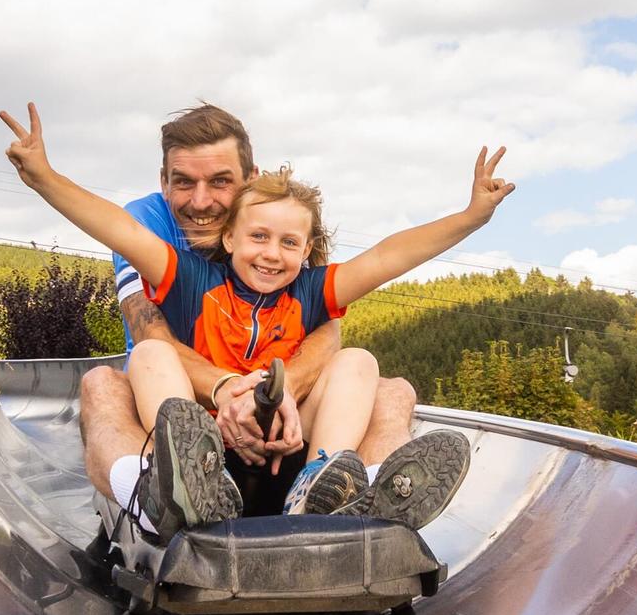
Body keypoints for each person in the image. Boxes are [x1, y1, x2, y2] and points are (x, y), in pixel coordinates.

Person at [1, 102, 516, 540]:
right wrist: (45, 179)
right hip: (205, 429)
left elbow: (387, 257)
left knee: (363, 364)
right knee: (145, 359)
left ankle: (342, 491)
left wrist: (470, 217)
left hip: (286, 438)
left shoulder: (309, 286)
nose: (271, 254)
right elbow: (119, 234)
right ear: (230, 238)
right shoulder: (189, 275)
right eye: (258, 239)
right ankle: (168, 487)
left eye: (288, 243)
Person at [79, 102, 417, 518]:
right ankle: (157, 502)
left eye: (220, 182)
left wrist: (277, 393)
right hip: (178, 401)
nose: (201, 203)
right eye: (184, 183)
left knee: (391, 390)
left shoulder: (275, 221)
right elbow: (153, 335)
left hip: (282, 418)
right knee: (101, 385)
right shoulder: (148, 224)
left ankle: (366, 504)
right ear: (164, 183)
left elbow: (325, 328)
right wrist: (230, 394)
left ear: (249, 180)